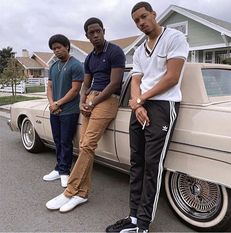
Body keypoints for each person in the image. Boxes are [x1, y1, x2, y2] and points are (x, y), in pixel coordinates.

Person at [106, 2, 189, 232]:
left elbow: (172, 77)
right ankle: (133, 217)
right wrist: (136, 104)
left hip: (163, 106)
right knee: (137, 163)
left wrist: (141, 100)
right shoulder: (140, 49)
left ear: (153, 14)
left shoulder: (175, 38)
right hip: (141, 107)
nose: (141, 22)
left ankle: (143, 224)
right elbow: (135, 80)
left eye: (144, 17)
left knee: (153, 165)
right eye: (136, 21)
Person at [45, 18, 126, 212]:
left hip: (107, 100)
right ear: (87, 35)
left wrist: (92, 102)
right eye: (91, 33)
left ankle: (70, 191)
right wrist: (83, 101)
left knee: (88, 145)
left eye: (98, 31)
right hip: (89, 100)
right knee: (83, 147)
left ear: (103, 31)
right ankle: (82, 194)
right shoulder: (89, 58)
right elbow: (86, 85)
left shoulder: (115, 52)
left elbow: (115, 83)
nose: (95, 35)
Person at [43, 34, 84, 188]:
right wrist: (52, 103)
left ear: (67, 46)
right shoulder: (53, 66)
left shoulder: (76, 65)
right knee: (57, 140)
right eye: (54, 49)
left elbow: (75, 90)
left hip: (69, 111)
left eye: (59, 47)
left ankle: (65, 171)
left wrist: (58, 103)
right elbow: (50, 87)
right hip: (55, 110)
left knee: (66, 141)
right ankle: (58, 168)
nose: (56, 51)